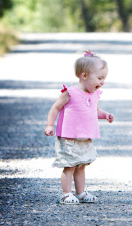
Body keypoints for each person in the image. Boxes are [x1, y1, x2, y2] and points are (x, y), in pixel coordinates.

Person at [44, 51, 114, 205]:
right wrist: (50, 125)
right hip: (69, 137)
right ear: (84, 76)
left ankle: (81, 192)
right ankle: (66, 193)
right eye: (100, 78)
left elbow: (95, 112)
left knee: (81, 165)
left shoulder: (94, 94)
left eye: (104, 79)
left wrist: (106, 115)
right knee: (70, 165)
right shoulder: (70, 93)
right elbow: (55, 108)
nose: (103, 82)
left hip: (85, 136)